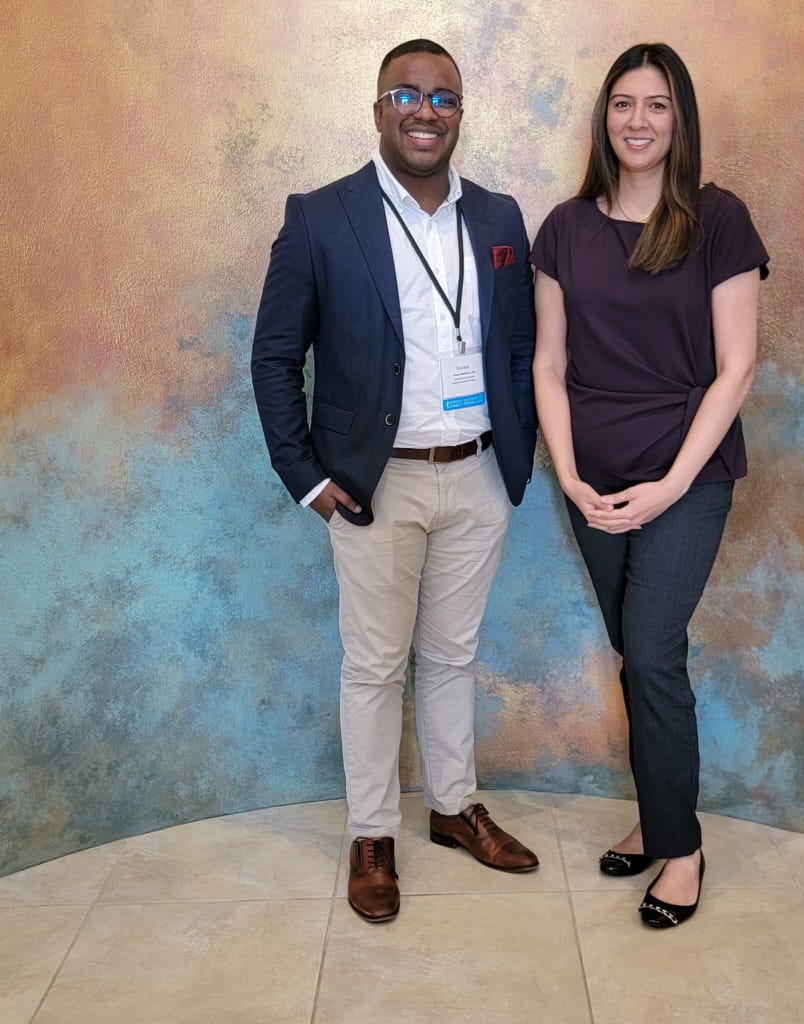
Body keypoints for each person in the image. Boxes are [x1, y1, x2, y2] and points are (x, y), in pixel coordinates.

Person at [251, 38, 539, 924]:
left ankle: (453, 807)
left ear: (460, 114)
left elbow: (519, 347)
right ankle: (373, 832)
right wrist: (306, 477)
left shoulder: (498, 218)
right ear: (379, 110)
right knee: (375, 667)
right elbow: (273, 358)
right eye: (406, 96)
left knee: (453, 657)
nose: (425, 112)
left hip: (480, 474)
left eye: (443, 98)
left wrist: (520, 453)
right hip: (374, 484)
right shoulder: (320, 216)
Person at [531, 42, 769, 928]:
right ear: (604, 119)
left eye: (658, 105)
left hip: (687, 475)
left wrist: (670, 485)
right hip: (590, 481)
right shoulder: (564, 227)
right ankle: (659, 812)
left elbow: (736, 370)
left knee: (656, 650)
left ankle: (683, 850)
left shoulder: (717, 219)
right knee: (637, 653)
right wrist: (566, 470)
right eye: (624, 104)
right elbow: (548, 367)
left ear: (681, 120)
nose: (638, 121)